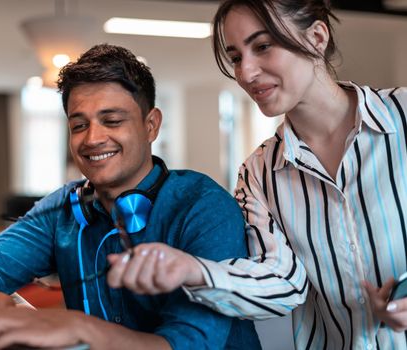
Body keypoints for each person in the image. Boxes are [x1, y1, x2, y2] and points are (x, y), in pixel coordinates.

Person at [107, 1, 407, 349]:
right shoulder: (259, 172)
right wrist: (192, 270)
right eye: (236, 57)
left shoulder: (402, 117)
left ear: (317, 37)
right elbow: (283, 281)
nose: (246, 72)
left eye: (263, 46)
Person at [0, 44, 261, 350]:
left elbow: (189, 344)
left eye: (112, 120)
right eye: (78, 125)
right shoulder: (64, 208)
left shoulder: (203, 206)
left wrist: (81, 328)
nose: (92, 139)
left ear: (151, 125)